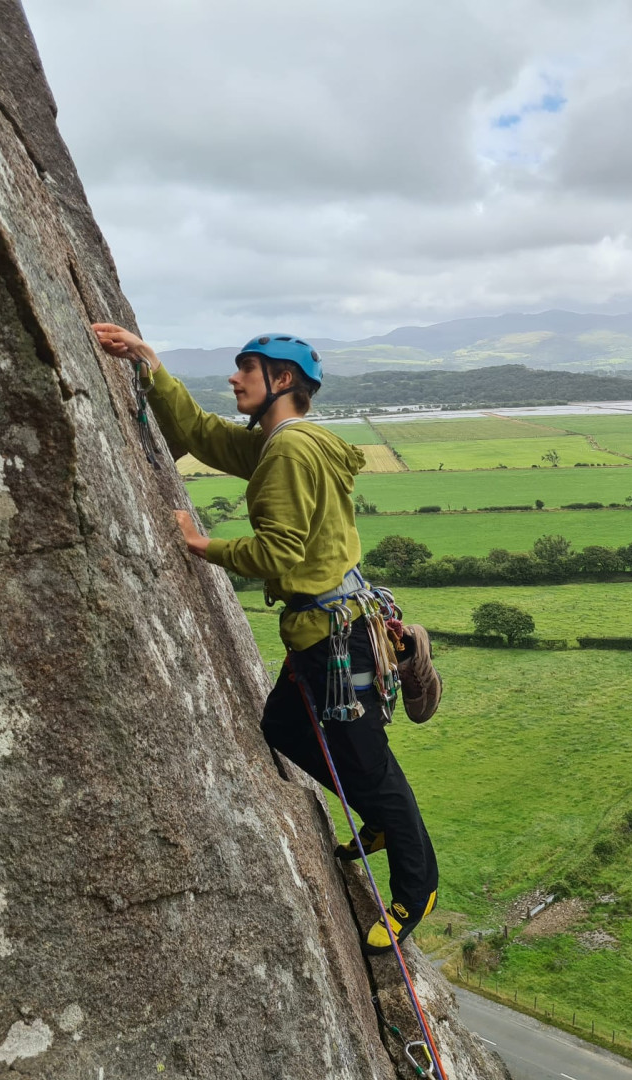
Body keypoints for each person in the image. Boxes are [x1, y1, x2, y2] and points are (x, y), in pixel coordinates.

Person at [92, 323, 440, 953]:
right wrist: (149, 363)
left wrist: (200, 543)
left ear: (281, 380)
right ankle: (382, 818)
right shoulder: (287, 441)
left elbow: (279, 552)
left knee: (373, 769)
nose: (234, 378)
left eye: (245, 368)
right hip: (326, 631)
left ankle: (417, 890)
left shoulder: (286, 452)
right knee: (283, 726)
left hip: (338, 640)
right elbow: (201, 435)